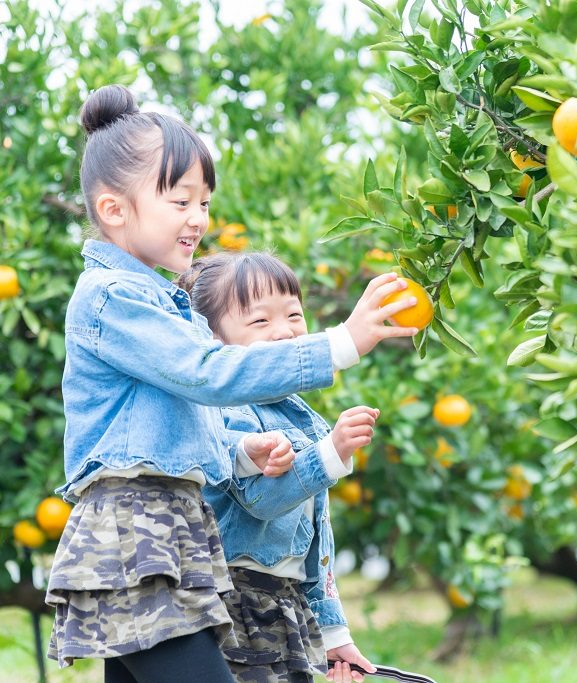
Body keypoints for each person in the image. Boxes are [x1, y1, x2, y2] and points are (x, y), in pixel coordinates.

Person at [45, 84, 418, 683]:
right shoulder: (114, 298)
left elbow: (180, 421)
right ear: (114, 210)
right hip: (134, 534)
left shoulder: (165, 305)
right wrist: (341, 342)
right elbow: (208, 374)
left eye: (204, 202)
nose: (198, 218)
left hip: (172, 528)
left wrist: (242, 453)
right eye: (179, 200)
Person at [181, 252, 379, 683]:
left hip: (286, 605)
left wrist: (334, 632)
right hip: (236, 603)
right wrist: (331, 452)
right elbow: (261, 500)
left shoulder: (303, 417)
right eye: (260, 321)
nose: (284, 331)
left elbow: (317, 546)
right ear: (214, 342)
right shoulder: (225, 411)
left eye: (293, 314)